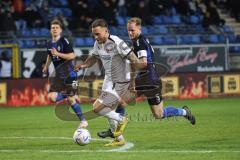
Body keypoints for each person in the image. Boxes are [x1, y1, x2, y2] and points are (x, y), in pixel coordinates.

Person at [97, 17, 196, 140]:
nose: (130, 33)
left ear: (139, 28)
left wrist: (130, 62)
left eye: (132, 30)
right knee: (122, 102)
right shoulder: (138, 42)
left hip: (149, 80)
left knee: (157, 114)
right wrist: (132, 76)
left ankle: (184, 112)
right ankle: (116, 132)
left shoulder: (140, 42)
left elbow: (143, 63)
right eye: (128, 30)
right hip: (147, 80)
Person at [75, 18, 143, 147]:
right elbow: (93, 57)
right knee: (105, 110)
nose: (95, 37)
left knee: (97, 108)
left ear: (106, 31)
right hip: (109, 79)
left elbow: (134, 59)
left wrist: (133, 81)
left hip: (121, 81)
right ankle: (119, 138)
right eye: (94, 34)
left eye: (98, 34)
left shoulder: (117, 42)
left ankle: (122, 119)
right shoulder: (97, 43)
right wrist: (83, 65)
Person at [42, 19, 88, 128]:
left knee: (71, 100)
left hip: (70, 74)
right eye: (53, 28)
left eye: (57, 28)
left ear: (61, 30)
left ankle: (83, 120)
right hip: (58, 75)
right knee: (52, 97)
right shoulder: (49, 43)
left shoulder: (64, 41)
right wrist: (46, 66)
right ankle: (71, 93)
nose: (55, 29)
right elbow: (50, 54)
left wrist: (58, 53)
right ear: (50, 30)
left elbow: (72, 56)